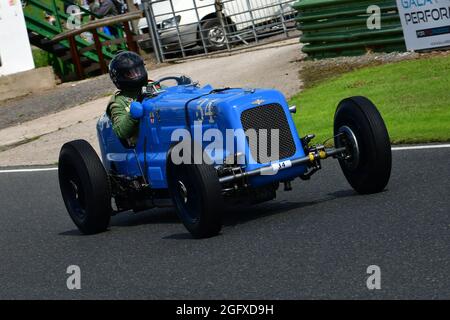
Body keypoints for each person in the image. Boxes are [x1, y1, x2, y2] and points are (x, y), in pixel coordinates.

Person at [107, 51, 148, 145]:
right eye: (130, 74)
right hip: (141, 147)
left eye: (138, 71)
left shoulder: (153, 86)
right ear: (118, 77)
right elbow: (121, 132)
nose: (137, 75)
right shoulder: (118, 102)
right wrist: (132, 115)